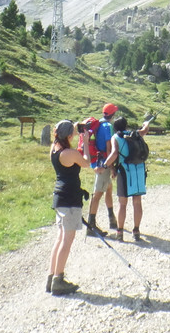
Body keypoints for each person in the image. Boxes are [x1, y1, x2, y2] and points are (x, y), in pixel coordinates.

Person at [47, 119, 90, 295]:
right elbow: (86, 162)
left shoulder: (55, 148)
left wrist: (75, 127)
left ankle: (51, 277)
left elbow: (65, 132)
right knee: (67, 240)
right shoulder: (69, 153)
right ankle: (59, 280)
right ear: (70, 135)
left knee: (60, 238)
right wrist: (85, 143)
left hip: (60, 197)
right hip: (70, 198)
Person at [103, 115, 151, 242]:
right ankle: (136, 231)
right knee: (137, 202)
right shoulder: (135, 134)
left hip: (125, 171)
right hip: (139, 170)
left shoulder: (116, 138)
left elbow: (114, 154)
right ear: (126, 125)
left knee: (122, 204)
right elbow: (145, 130)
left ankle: (120, 232)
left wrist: (106, 165)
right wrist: (146, 123)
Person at [85, 103, 119, 236]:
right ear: (113, 114)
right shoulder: (108, 127)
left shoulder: (98, 123)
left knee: (108, 188)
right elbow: (109, 148)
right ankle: (91, 225)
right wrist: (112, 167)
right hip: (104, 163)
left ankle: (112, 219)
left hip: (96, 161)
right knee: (98, 193)